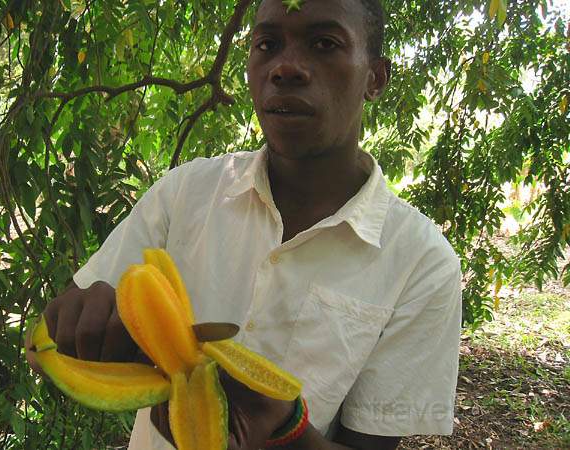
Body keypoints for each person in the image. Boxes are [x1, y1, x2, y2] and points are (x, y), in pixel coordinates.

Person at [25, 0, 462, 448]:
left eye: (324, 43)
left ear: (375, 78)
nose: (286, 67)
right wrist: (73, 323)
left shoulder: (421, 264)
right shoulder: (185, 194)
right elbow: (44, 348)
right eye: (267, 44)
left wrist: (282, 432)